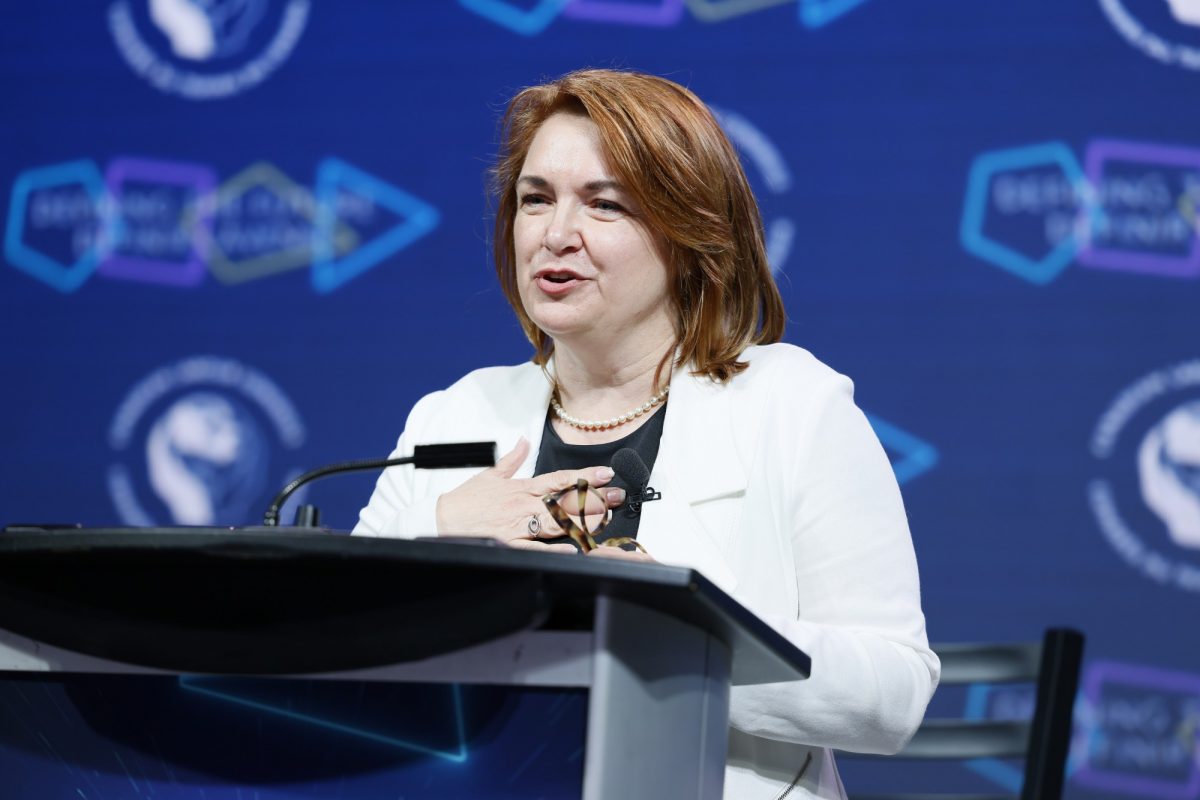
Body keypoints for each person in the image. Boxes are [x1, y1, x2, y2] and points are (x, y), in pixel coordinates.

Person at [354, 68, 939, 799]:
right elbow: (331, 649)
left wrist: (680, 628)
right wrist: (436, 530)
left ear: (688, 229)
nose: (556, 234)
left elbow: (894, 694)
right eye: (535, 200)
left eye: (604, 205)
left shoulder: (793, 406)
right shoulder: (454, 416)